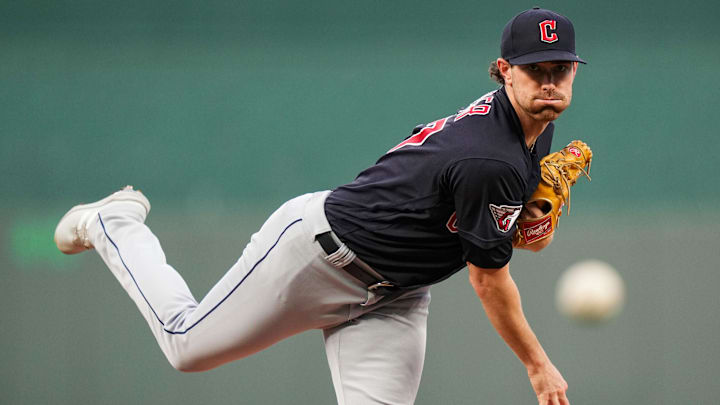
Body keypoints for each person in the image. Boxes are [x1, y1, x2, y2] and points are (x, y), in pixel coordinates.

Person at [54, 7, 584, 405]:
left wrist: (517, 208)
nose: (548, 81)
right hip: (316, 257)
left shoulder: (532, 126)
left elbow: (481, 192)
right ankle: (114, 223)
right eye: (535, 68)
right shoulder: (490, 160)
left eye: (560, 69)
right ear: (503, 69)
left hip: (394, 297)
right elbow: (489, 280)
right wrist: (537, 366)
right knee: (185, 347)